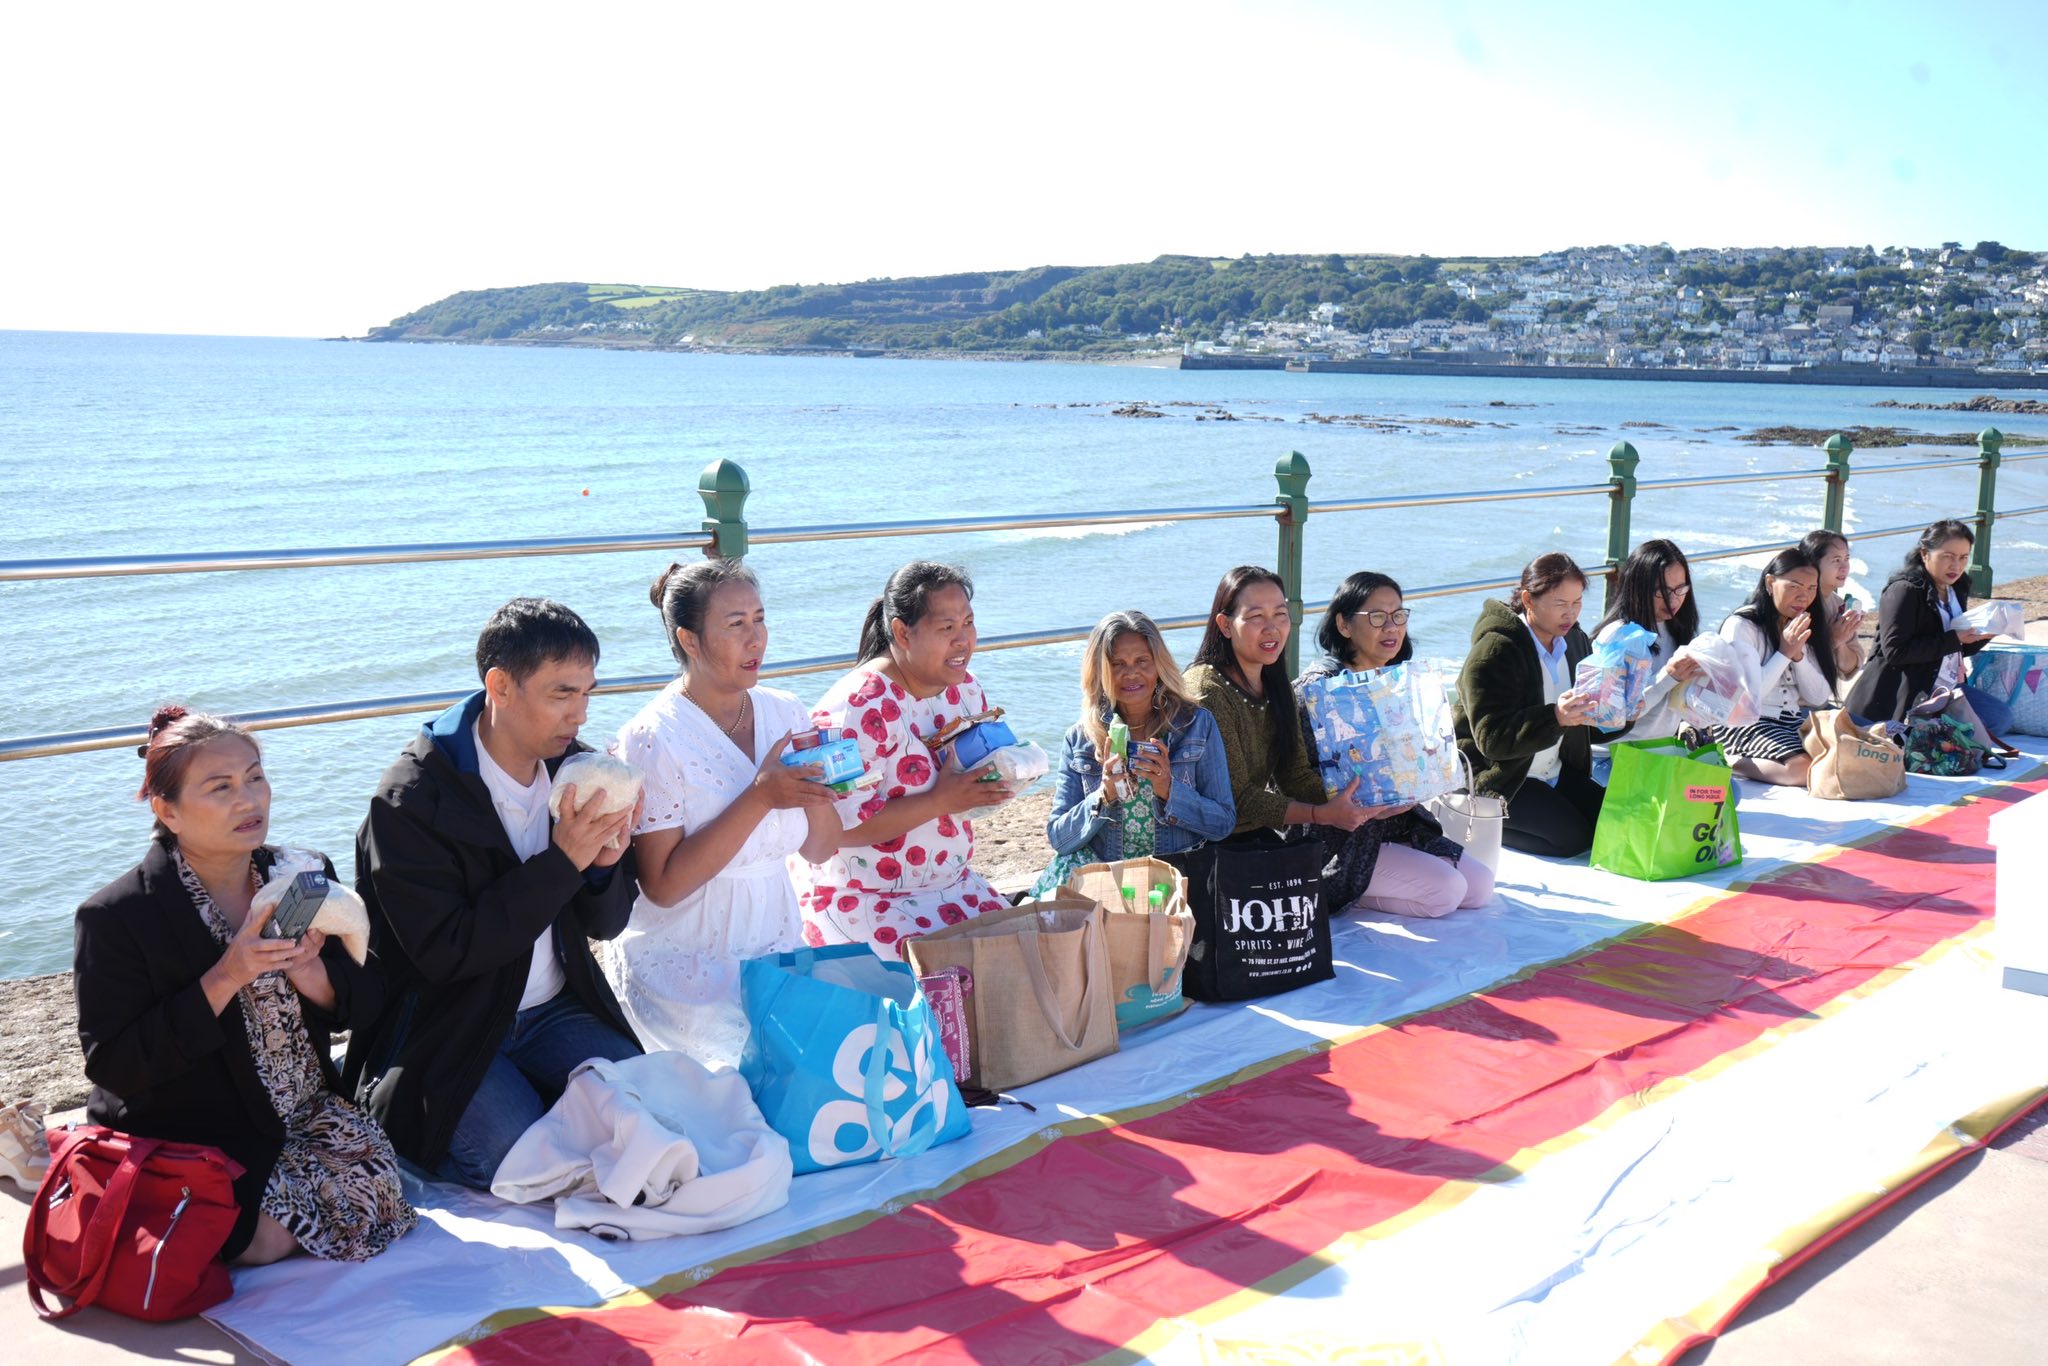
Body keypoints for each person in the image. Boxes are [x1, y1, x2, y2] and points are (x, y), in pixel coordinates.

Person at [75, 708, 414, 1265]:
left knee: (376, 1185)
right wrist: (227, 975)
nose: (248, 799)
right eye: (221, 787)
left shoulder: (299, 878)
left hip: (303, 1116)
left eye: (255, 777)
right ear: (168, 811)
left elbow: (368, 997)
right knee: (262, 1238)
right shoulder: (119, 916)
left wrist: (311, 975)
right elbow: (114, 1063)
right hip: (195, 1128)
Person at [344, 599, 643, 1191]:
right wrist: (563, 863)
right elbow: (448, 954)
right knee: (532, 1163)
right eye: (563, 694)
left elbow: (604, 926)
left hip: (554, 1010)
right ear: (500, 686)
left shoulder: (575, 771)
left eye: (588, 693)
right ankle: (410, 1123)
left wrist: (604, 868)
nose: (579, 715)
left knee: (654, 1109)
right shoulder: (411, 801)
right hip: (448, 1020)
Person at [608, 561, 842, 1067]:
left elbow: (821, 848)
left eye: (760, 619)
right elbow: (663, 886)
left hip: (777, 943)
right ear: (689, 641)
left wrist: (823, 787)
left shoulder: (786, 711)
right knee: (767, 1075)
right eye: (735, 625)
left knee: (843, 1058)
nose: (755, 639)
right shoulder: (653, 737)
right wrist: (761, 797)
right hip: (688, 960)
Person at [795, 562, 1020, 958]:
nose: (964, 640)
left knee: (1026, 963)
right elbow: (834, 833)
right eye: (946, 628)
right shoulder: (853, 711)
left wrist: (992, 784)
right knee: (952, 991)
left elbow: (961, 782)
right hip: (868, 900)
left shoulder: (963, 688)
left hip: (952, 887)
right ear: (901, 632)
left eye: (968, 623)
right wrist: (941, 801)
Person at [1296, 573, 1492, 917]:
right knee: (1447, 892)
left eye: (1398, 615)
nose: (1392, 627)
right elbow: (1295, 777)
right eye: (1377, 617)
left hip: (1396, 823)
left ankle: (1387, 878)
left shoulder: (1400, 681)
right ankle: (1331, 891)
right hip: (1341, 836)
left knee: (1479, 887)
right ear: (1343, 624)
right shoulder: (1319, 690)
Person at [1035, 611, 1235, 893]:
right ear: (1100, 670)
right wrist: (1104, 796)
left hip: (1175, 883)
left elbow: (1223, 823)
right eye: (1117, 664)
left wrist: (1168, 789)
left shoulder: (1196, 725)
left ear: (1158, 665)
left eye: (1142, 661)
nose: (1131, 673)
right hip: (1109, 886)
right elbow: (1059, 838)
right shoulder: (1081, 738)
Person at [1183, 565, 1384, 840]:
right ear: (1225, 625)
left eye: (1280, 614)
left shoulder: (1275, 685)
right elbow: (1238, 798)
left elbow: (1295, 776)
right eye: (1256, 617)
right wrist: (1319, 814)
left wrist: (1367, 798)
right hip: (1203, 841)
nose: (1272, 628)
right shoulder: (1208, 691)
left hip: (1249, 833)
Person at [1453, 553, 1610, 858]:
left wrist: (1621, 711)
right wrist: (1555, 718)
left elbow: (1587, 727)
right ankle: (1475, 818)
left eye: (1577, 602)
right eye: (1560, 603)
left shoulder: (1575, 642)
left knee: (1610, 823)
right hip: (1502, 777)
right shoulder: (1496, 650)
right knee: (1572, 841)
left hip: (1553, 769)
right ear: (1528, 599)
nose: (1571, 613)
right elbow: (1491, 741)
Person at [1844, 519, 2012, 750]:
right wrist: (1955, 638)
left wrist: (1984, 635)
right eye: (1948, 556)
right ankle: (1919, 730)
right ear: (1925, 554)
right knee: (1940, 736)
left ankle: (1935, 730)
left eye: (1964, 557)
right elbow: (1895, 652)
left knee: (1999, 718)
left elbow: (1954, 648)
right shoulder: (1904, 590)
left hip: (1942, 687)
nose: (1956, 565)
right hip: (1902, 692)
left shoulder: (1957, 587)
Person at [1710, 548, 1836, 786]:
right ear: (1770, 583)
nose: (1803, 597)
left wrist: (1798, 657)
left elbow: (1818, 697)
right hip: (1744, 724)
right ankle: (1727, 758)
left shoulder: (1800, 623)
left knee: (1836, 760)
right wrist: (1784, 653)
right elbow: (1746, 700)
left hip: (1791, 721)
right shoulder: (1742, 625)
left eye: (1811, 588)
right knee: (1804, 770)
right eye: (1794, 586)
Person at [1590, 539, 1706, 742]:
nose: (1673, 600)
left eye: (1681, 589)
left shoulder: (1678, 630)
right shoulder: (1618, 636)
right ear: (1638, 588)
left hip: (1660, 752)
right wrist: (1668, 677)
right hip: (1614, 755)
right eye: (1662, 591)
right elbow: (1607, 718)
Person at [1799, 529, 1868, 684]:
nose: (1845, 567)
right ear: (1813, 563)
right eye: (1836, 560)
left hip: (1820, 698)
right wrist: (1832, 640)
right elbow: (1798, 667)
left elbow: (1850, 668)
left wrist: (1840, 641)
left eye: (1846, 559)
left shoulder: (1837, 604)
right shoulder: (1797, 604)